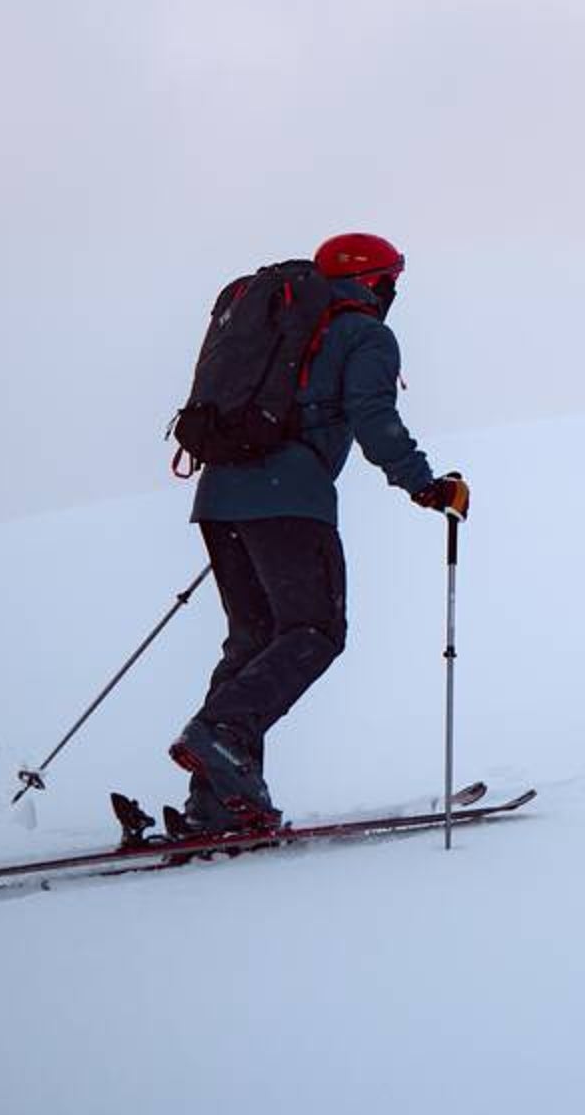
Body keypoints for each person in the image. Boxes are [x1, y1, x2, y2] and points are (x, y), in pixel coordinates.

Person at [172, 231, 466, 835]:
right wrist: (425, 485)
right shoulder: (363, 333)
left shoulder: (283, 320)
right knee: (314, 629)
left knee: (253, 639)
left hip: (220, 497)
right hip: (288, 499)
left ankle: (218, 798)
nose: (392, 293)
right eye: (390, 282)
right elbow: (374, 420)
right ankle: (221, 735)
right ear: (371, 282)